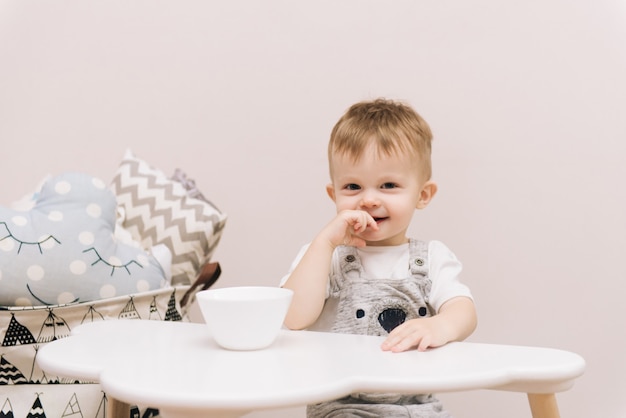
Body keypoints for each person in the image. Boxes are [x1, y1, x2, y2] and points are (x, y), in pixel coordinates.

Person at [280, 98, 477, 417]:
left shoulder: (431, 258)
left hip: (416, 406)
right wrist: (324, 243)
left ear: (422, 195)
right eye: (353, 186)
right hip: (340, 406)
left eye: (388, 185)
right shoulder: (323, 256)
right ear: (334, 195)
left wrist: (440, 326)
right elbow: (293, 317)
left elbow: (464, 312)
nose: (369, 199)